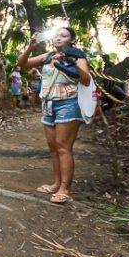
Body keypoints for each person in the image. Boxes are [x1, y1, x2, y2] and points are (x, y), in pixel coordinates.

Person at [16, 27, 91, 204]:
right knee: (53, 147)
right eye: (56, 35)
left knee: (63, 146)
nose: (58, 38)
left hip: (68, 103)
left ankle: (65, 188)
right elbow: (22, 63)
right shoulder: (48, 56)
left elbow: (86, 80)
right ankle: (56, 183)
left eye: (63, 36)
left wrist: (69, 63)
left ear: (72, 40)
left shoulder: (77, 56)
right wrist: (30, 46)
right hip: (48, 104)